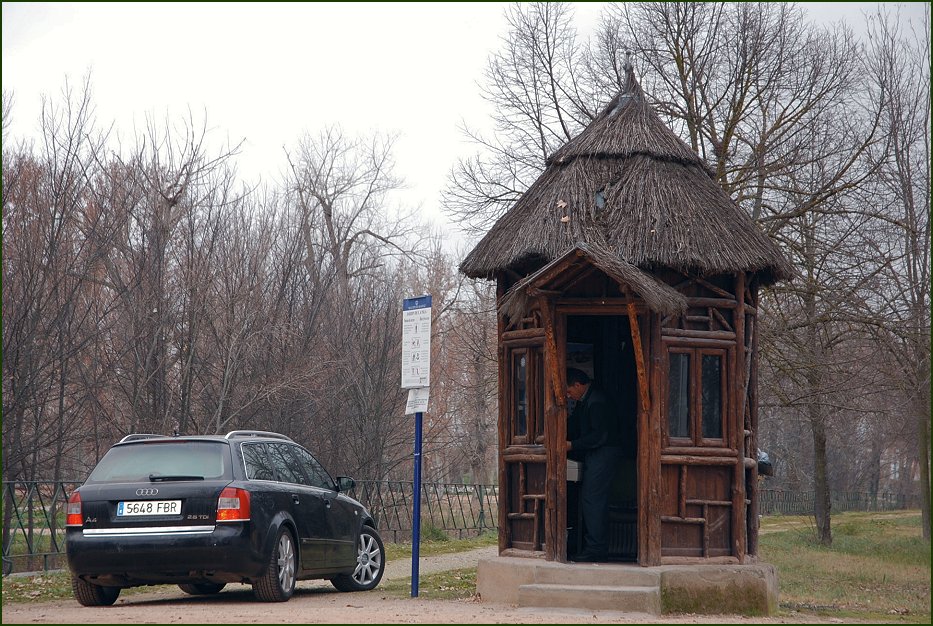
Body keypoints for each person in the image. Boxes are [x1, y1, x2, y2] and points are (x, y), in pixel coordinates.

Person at [565, 367, 623, 562]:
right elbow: (573, 425)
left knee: (592, 499)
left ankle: (596, 549)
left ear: (578, 385)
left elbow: (600, 435)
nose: (568, 395)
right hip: (598, 454)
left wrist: (572, 445)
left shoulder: (596, 401)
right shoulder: (587, 400)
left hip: (603, 454)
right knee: (591, 499)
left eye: (569, 391)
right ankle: (593, 546)